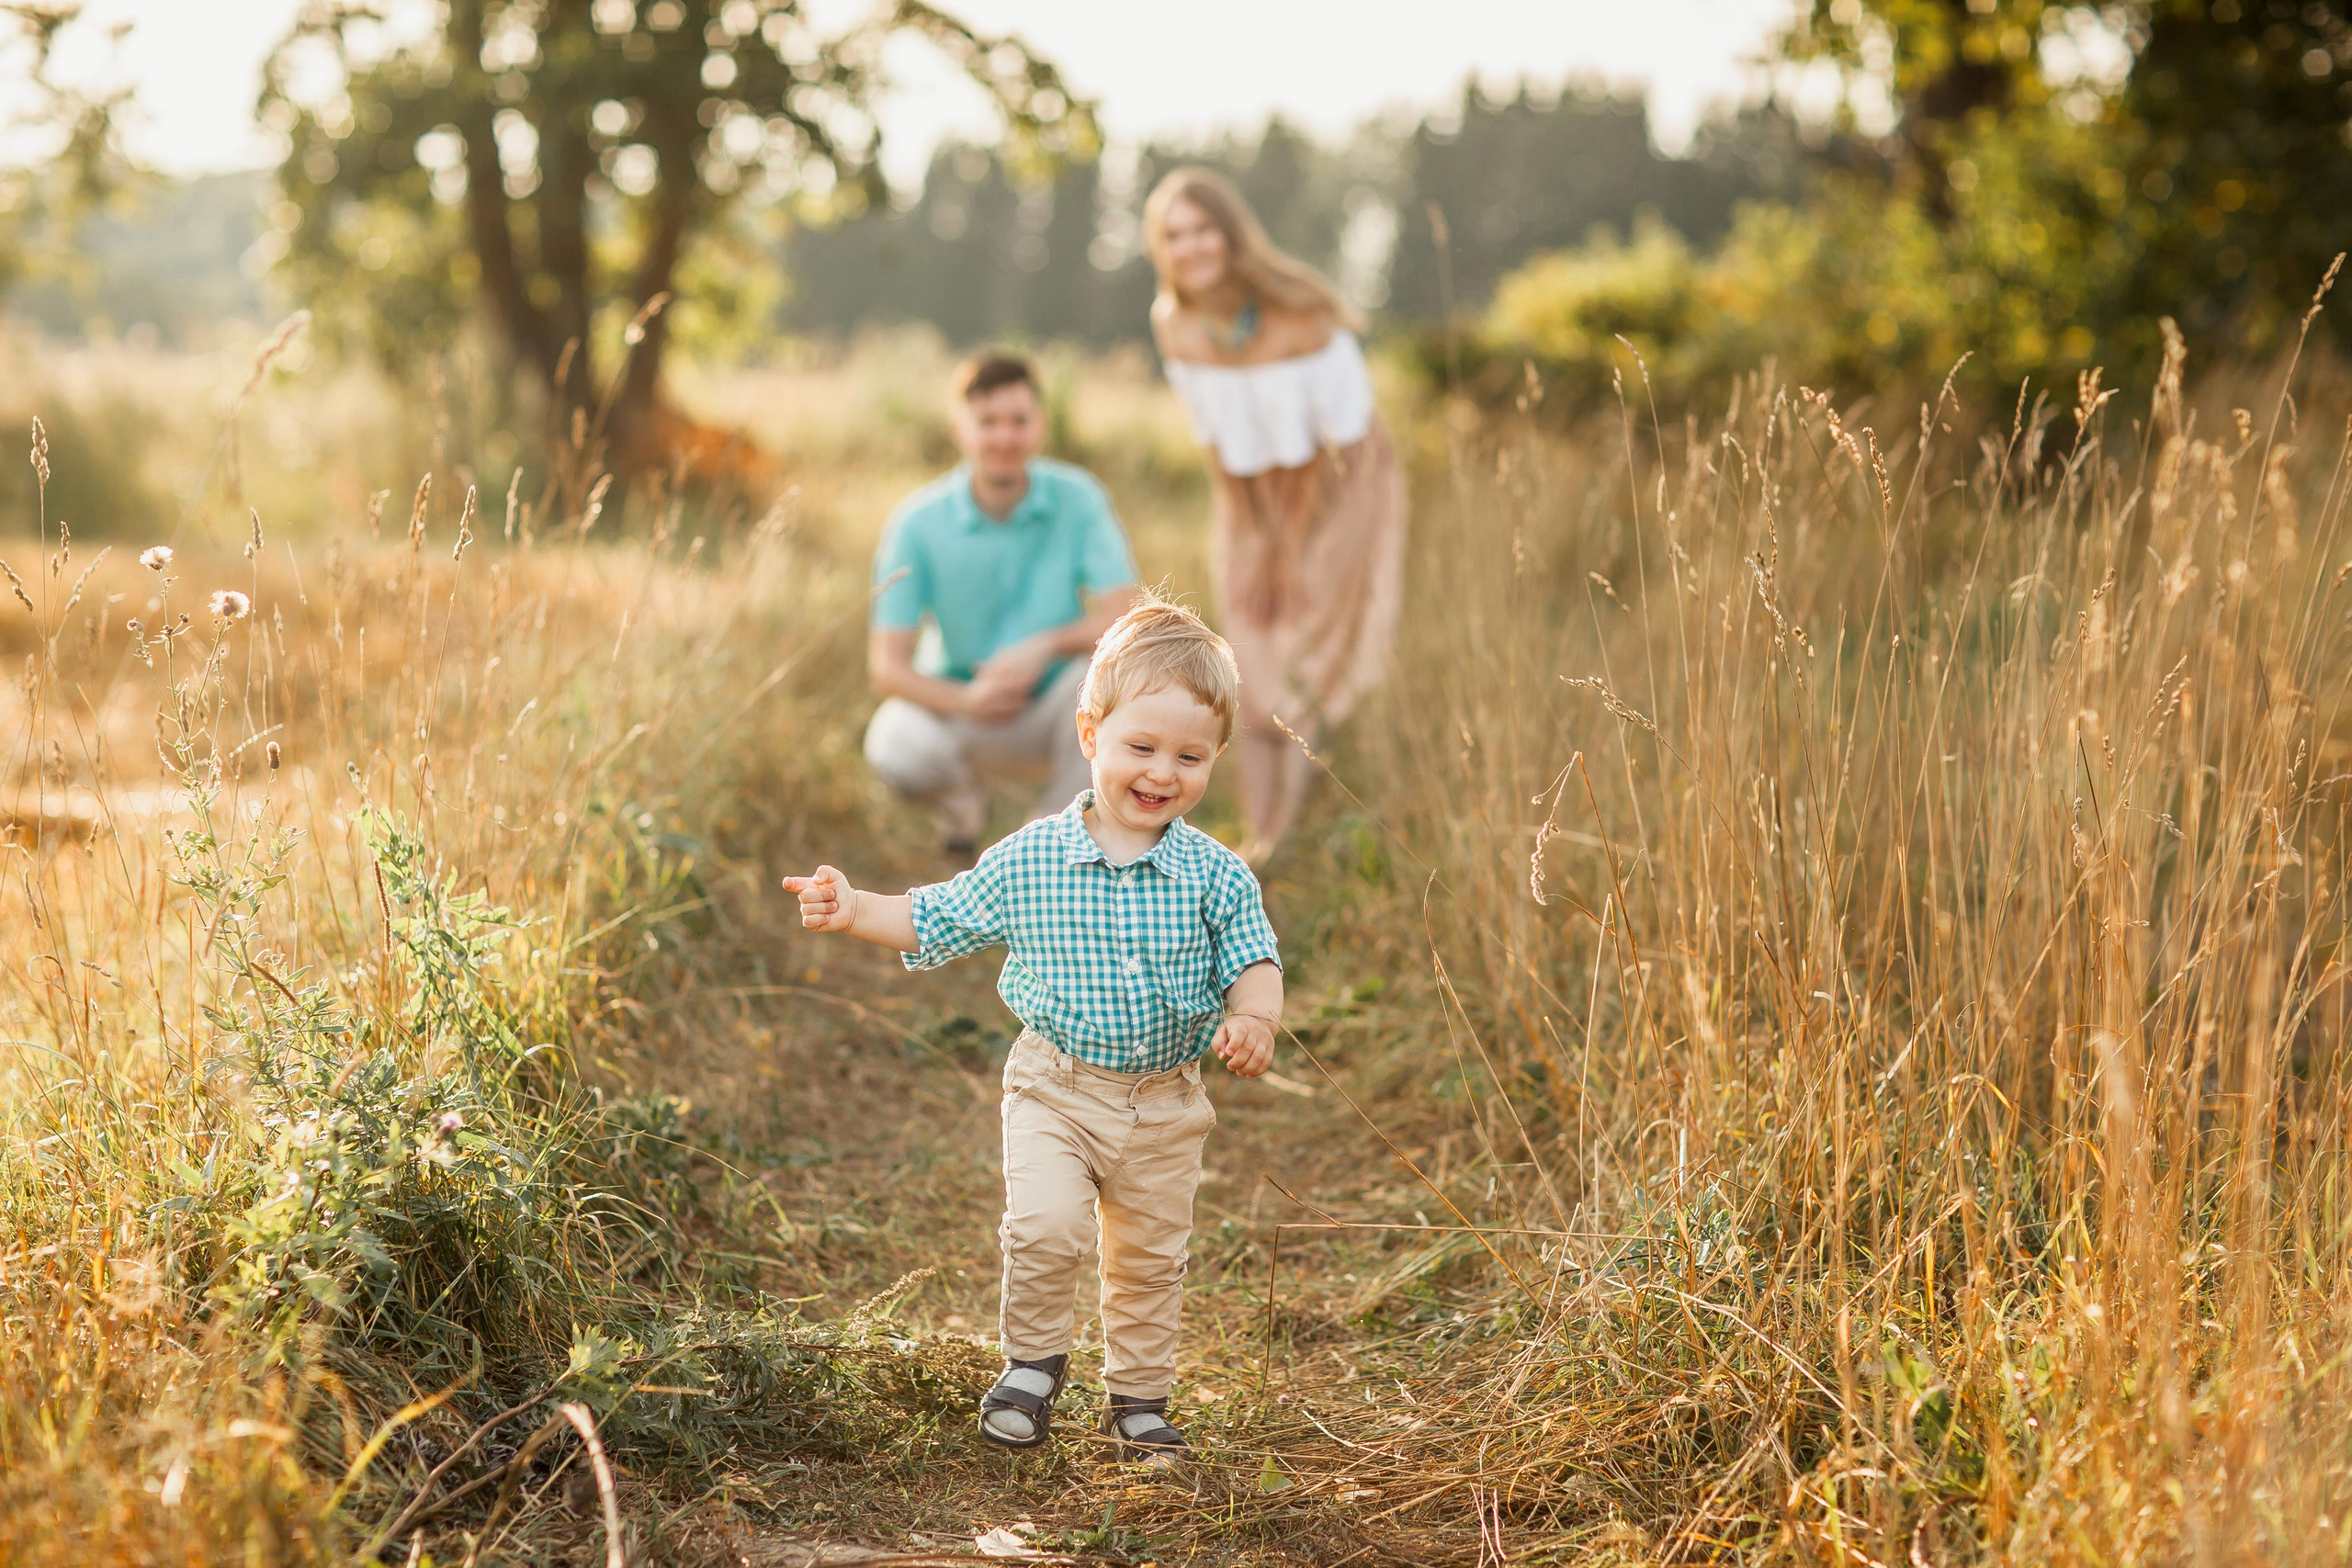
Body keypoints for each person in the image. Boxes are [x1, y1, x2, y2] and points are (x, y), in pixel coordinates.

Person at [784, 596, 1284, 1467]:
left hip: (1164, 1104)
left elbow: (1256, 958)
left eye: (1189, 755)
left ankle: (1138, 1397)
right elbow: (938, 915)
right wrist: (855, 906)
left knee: (1149, 1257)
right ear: (1089, 735)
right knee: (1046, 1225)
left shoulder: (1216, 874)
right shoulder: (1031, 859)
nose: (1162, 771)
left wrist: (1253, 1015)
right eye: (1141, 746)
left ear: (1214, 759)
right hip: (1054, 1084)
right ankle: (1033, 1365)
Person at [1144, 167, 1408, 862]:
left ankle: (1284, 834)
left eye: (1203, 229)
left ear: (1231, 236)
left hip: (1342, 485)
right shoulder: (1175, 323)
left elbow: (1337, 449)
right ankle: (1258, 833)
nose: (1191, 246)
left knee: (1305, 636)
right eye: (1174, 235)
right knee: (1250, 630)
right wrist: (1255, 540)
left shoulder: (1302, 311)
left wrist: (1291, 547)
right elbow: (1216, 444)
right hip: (1250, 495)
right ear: (1159, 249)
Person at [865, 350, 1140, 854]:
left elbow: (1124, 613)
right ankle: (962, 804)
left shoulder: (1079, 497)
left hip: (1056, 704)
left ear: (1041, 426)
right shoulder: (916, 522)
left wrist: (1044, 646)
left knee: (1117, 684)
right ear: (959, 428)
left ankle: (1049, 844)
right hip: (959, 708)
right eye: (988, 421)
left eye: (1019, 421)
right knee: (891, 742)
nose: (1004, 437)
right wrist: (965, 700)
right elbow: (887, 668)